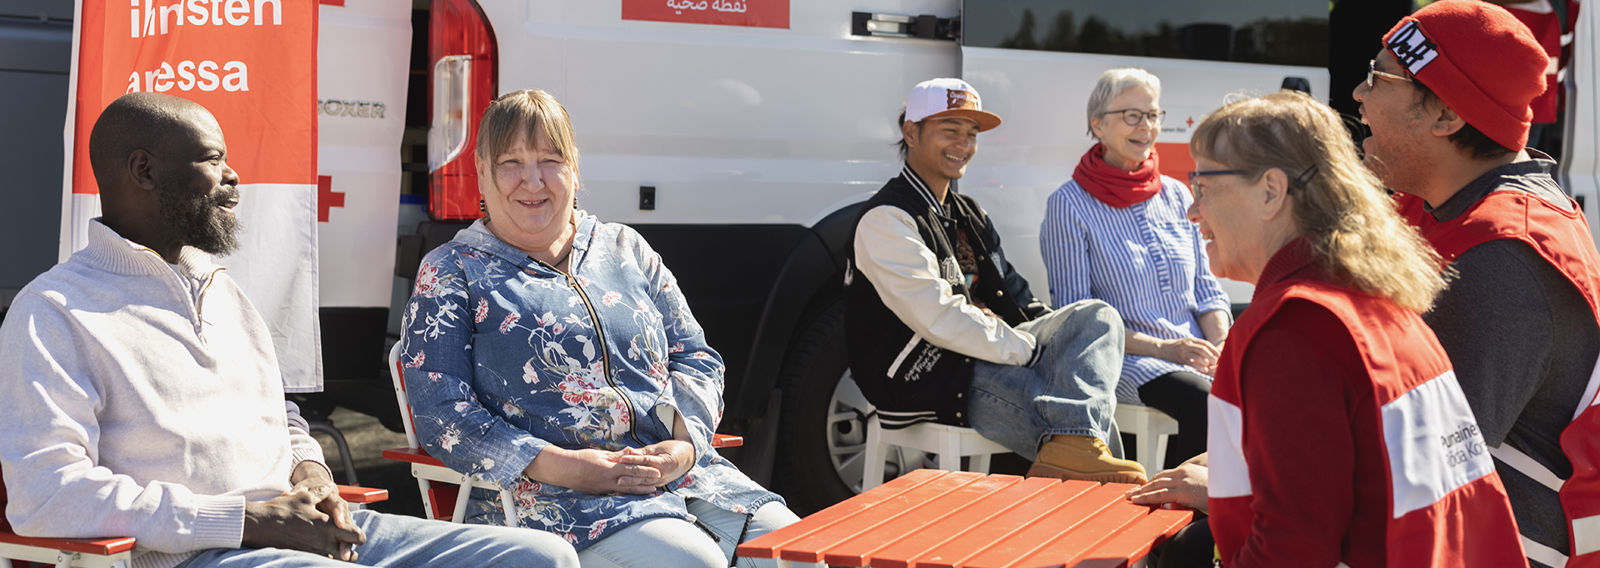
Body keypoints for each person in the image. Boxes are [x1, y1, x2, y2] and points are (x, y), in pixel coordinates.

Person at [0, 92, 580, 568]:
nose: (233, 177)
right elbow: (48, 496)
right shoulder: (54, 311)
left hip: (300, 528)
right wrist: (246, 521)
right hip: (194, 555)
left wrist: (311, 472)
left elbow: (282, 417)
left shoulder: (222, 288)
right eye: (211, 159)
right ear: (144, 170)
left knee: (542, 557)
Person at [400, 89, 802, 568]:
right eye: (511, 162)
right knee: (694, 563)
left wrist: (684, 446)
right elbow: (441, 412)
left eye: (551, 159)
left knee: (794, 548)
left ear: (575, 169)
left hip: (683, 477)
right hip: (544, 499)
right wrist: (566, 467)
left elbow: (696, 355)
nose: (532, 180)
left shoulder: (625, 248)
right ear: (482, 173)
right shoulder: (452, 270)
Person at [1132, 90, 1525, 566]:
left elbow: (1291, 551)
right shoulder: (1374, 299)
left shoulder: (1294, 329)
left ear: (1271, 192)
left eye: (1204, 186)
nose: (1192, 211)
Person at [1355, 2, 1600, 565]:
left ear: (1445, 115)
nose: (1359, 96)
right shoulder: (1450, 202)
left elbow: (1426, 470)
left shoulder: (1504, 256)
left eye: (1378, 77)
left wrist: (1246, 486)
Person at [845, 77, 1144, 483]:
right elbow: (938, 316)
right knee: (1080, 424)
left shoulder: (967, 211)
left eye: (971, 134)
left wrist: (1052, 340)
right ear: (910, 132)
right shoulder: (886, 219)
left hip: (984, 356)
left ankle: (1075, 460)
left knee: (1098, 317)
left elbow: (1016, 297)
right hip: (932, 378)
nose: (963, 145)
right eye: (950, 130)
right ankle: (1091, 508)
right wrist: (1027, 350)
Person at [1039, 68, 1229, 468]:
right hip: (1129, 359)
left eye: (1154, 115)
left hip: (1194, 353)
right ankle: (1188, 519)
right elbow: (1082, 321)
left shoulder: (1178, 195)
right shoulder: (1069, 205)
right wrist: (1167, 349)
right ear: (1098, 124)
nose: (1147, 127)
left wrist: (1224, 345)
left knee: (1262, 392)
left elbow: (1208, 292)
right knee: (1207, 403)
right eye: (1132, 116)